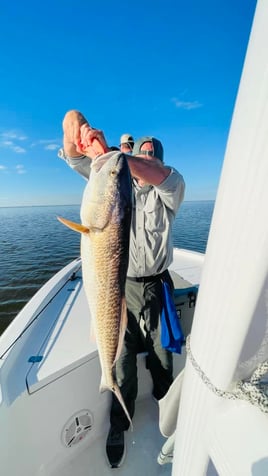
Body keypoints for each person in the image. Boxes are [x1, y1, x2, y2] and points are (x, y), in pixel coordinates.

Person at [58, 109, 185, 468]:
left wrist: (118, 157)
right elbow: (70, 134)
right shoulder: (112, 180)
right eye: (138, 152)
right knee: (123, 363)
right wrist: (81, 132)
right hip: (121, 287)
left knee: (163, 361)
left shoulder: (170, 188)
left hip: (158, 287)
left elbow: (158, 175)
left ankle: (172, 424)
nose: (142, 158)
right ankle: (119, 422)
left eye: (148, 154)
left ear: (157, 160)